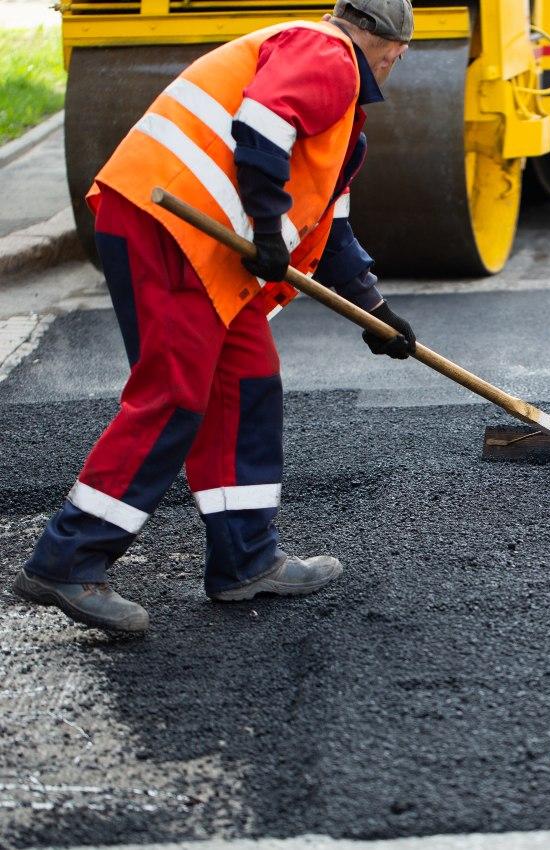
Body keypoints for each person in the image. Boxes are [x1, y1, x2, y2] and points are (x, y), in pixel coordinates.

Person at [12, 0, 416, 634]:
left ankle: (245, 561)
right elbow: (260, 123)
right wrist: (263, 223)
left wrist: (375, 310)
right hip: (172, 229)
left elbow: (329, 229)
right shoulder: (328, 52)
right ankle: (68, 559)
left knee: (246, 385)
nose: (396, 63)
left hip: (208, 248)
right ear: (392, 46)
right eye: (399, 53)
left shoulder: (341, 115)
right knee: (174, 396)